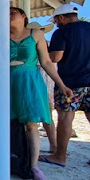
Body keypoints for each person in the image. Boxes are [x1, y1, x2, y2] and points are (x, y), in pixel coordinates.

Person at [39, 3, 90, 171]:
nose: (56, 24)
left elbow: (55, 57)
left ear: (61, 17)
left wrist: (42, 52)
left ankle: (59, 156)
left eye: (56, 20)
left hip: (71, 82)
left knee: (65, 118)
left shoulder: (62, 32)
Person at [9, 7, 73, 180]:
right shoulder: (0, 33)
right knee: (7, 124)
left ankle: (34, 166)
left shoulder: (35, 34)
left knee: (31, 124)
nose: (8, 14)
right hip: (6, 82)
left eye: (12, 12)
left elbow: (46, 61)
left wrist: (62, 85)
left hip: (29, 81)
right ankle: (11, 162)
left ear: (23, 16)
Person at [28, 21, 58, 154]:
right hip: (46, 81)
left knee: (38, 116)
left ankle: (52, 145)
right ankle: (54, 145)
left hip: (39, 80)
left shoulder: (33, 44)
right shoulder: (49, 45)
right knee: (46, 115)